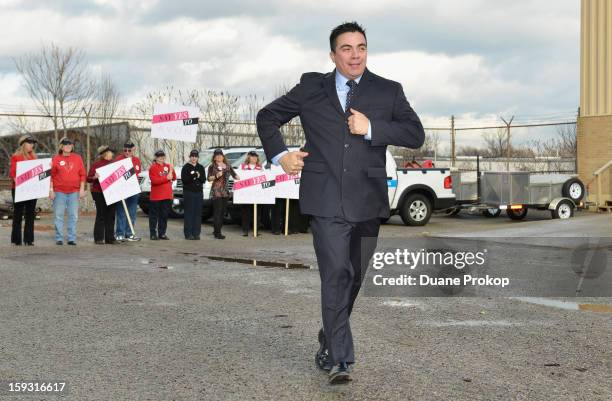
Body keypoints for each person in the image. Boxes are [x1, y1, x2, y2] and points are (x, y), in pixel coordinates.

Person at [257, 22, 425, 384]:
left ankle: (329, 334)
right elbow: (266, 117)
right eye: (346, 48)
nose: (355, 55)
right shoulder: (310, 88)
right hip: (326, 199)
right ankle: (341, 358)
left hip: (368, 200)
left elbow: (415, 134)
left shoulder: (388, 91)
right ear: (333, 55)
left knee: (353, 278)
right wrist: (280, 155)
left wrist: (373, 127)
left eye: (361, 47)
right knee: (335, 274)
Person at [50, 137, 87, 246]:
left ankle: (71, 238)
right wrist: (51, 190)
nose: (68, 146)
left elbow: (82, 174)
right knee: (58, 215)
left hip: (74, 192)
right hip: (59, 191)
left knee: (73, 215)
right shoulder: (56, 159)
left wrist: (81, 189)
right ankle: (59, 238)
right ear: (61, 146)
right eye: (66, 144)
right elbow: (51, 176)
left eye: (70, 144)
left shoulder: (77, 158)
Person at [9, 135, 38, 246]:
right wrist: (21, 185)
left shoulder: (34, 157)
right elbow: (12, 173)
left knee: (30, 215)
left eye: (33, 143)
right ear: (23, 144)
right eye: (29, 142)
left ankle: (29, 239)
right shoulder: (16, 157)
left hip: (32, 190)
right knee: (18, 214)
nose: (32, 145)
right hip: (19, 189)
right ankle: (16, 240)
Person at [87, 146, 119, 245]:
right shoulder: (96, 164)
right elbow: (88, 179)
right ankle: (99, 238)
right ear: (105, 153)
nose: (112, 154)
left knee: (111, 215)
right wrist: (94, 177)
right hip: (99, 192)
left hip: (112, 192)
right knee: (101, 215)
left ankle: (110, 238)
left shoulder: (114, 164)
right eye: (110, 152)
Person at [207, 149, 239, 239]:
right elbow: (209, 178)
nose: (219, 157)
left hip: (225, 192)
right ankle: (217, 233)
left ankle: (216, 230)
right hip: (216, 191)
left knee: (222, 213)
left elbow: (235, 175)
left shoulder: (228, 166)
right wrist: (216, 175)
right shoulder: (212, 166)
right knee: (217, 212)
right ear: (214, 158)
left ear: (223, 156)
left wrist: (243, 177)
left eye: (220, 155)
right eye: (216, 156)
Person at [114, 140, 142, 241]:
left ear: (133, 150)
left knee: (132, 213)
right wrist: (130, 175)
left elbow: (138, 173)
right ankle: (119, 233)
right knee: (121, 212)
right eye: (125, 150)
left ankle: (129, 233)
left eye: (129, 150)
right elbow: (115, 175)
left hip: (134, 190)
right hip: (121, 190)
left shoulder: (137, 160)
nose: (127, 152)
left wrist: (134, 177)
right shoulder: (118, 159)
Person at [148, 150, 175, 240]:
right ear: (156, 158)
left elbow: (173, 178)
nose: (161, 158)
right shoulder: (153, 168)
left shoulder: (168, 166)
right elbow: (154, 181)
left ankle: (162, 233)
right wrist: (166, 178)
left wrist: (172, 170)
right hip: (156, 197)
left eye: (163, 156)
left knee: (164, 216)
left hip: (167, 196)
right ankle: (153, 233)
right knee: (154, 216)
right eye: (159, 156)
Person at [181, 149, 205, 240]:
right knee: (189, 213)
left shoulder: (201, 167)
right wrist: (194, 176)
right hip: (189, 192)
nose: (194, 158)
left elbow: (203, 179)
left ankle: (196, 233)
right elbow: (185, 180)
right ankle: (188, 233)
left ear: (198, 157)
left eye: (195, 156)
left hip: (198, 192)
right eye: (192, 156)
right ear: (190, 157)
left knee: (197, 213)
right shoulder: (186, 167)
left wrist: (197, 176)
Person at [239, 151, 262, 236]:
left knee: (257, 212)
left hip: (256, 194)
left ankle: (256, 230)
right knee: (245, 213)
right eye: (252, 156)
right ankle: (245, 230)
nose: (254, 158)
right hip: (246, 194)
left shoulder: (260, 168)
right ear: (249, 157)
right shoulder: (242, 167)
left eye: (255, 157)